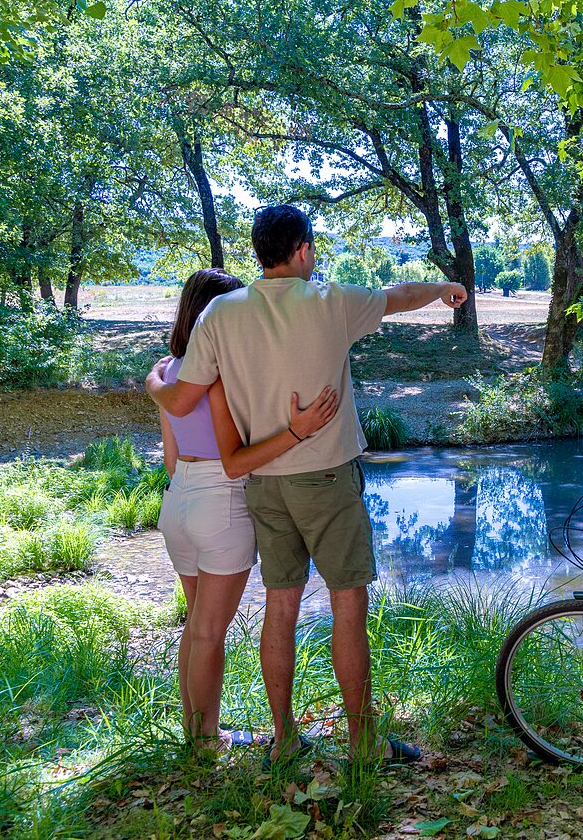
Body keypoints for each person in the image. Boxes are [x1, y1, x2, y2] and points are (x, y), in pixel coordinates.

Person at [146, 205, 466, 765]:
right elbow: (398, 295)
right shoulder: (330, 300)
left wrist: (153, 380)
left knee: (281, 606)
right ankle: (364, 741)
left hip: (263, 483)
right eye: (312, 249)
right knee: (348, 605)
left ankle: (285, 736)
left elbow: (181, 395)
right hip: (325, 478)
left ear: (259, 253)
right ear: (302, 249)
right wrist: (446, 288)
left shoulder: (219, 313)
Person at [157, 268, 340, 755]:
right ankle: (203, 746)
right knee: (209, 632)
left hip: (177, 501)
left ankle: (198, 735)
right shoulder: (218, 375)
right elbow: (236, 461)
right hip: (222, 502)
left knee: (196, 626)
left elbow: (171, 459)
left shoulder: (169, 371)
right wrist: (297, 432)